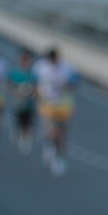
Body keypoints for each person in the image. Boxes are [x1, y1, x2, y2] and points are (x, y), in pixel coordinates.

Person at [33, 48, 78, 177]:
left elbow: (75, 83)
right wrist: (37, 96)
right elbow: (35, 83)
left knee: (62, 134)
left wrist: (67, 85)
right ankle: (49, 145)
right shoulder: (40, 67)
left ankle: (59, 157)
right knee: (51, 131)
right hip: (47, 105)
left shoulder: (67, 68)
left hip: (64, 106)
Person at [8, 49, 37, 155]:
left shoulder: (32, 74)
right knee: (17, 117)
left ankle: (25, 139)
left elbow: (35, 87)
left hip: (29, 103)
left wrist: (31, 93)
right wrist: (17, 92)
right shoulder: (15, 73)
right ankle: (16, 128)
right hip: (18, 101)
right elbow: (9, 85)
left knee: (27, 121)